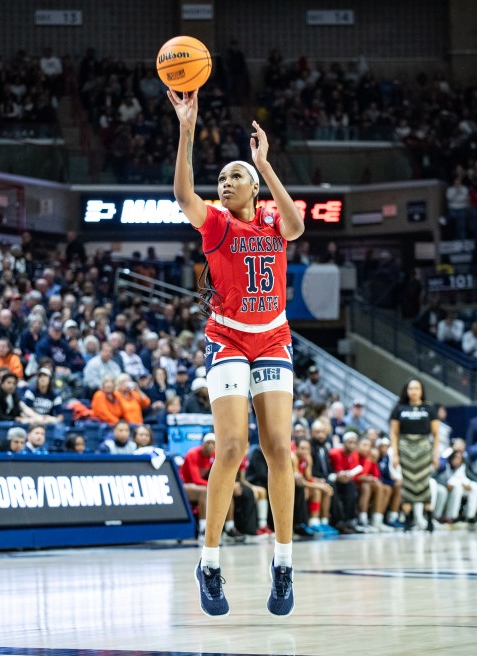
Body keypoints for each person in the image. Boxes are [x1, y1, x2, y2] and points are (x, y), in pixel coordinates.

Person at [170, 88, 304, 618]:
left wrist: (265, 165)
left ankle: (284, 562)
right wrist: (186, 130)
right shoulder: (217, 223)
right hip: (226, 336)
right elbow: (184, 195)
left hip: (272, 335)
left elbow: (296, 226)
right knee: (231, 450)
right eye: (221, 179)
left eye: (234, 177)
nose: (226, 184)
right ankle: (208, 562)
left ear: (252, 187)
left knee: (279, 449)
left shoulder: (272, 221)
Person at [390, 379, 439, 531]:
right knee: (407, 484)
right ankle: (408, 518)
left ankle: (429, 518)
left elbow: (436, 434)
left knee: (424, 483)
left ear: (421, 390)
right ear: (407, 390)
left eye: (417, 388)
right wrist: (395, 454)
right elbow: (394, 433)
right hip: (405, 448)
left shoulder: (429, 409)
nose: (413, 391)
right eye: (411, 388)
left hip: (424, 448)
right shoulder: (399, 409)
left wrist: (435, 454)